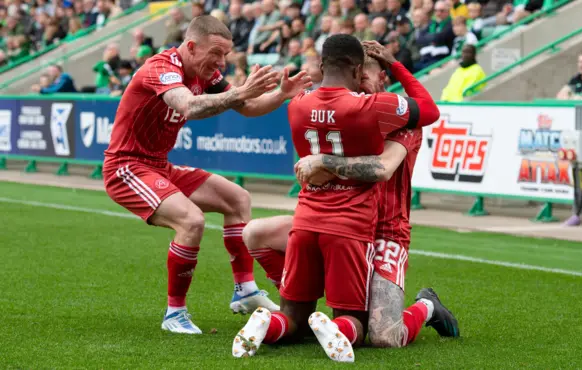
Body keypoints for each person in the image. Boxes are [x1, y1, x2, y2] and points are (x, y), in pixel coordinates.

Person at [238, 41, 460, 353]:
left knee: (384, 337)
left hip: (385, 231)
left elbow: (382, 168)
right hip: (342, 220)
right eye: (361, 78)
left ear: (382, 80)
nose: (361, 87)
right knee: (254, 233)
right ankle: (294, 298)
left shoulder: (403, 125)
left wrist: (324, 162)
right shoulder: (351, 110)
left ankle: (427, 306)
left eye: (369, 79)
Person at [102, 15, 312, 335]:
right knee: (192, 221)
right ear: (190, 46)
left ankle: (245, 290)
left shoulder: (207, 73)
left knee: (238, 198)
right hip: (126, 167)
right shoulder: (162, 67)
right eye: (216, 53)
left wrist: (282, 94)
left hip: (159, 165)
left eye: (226, 54)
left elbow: (247, 107)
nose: (221, 62)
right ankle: (175, 313)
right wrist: (239, 92)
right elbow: (189, 106)